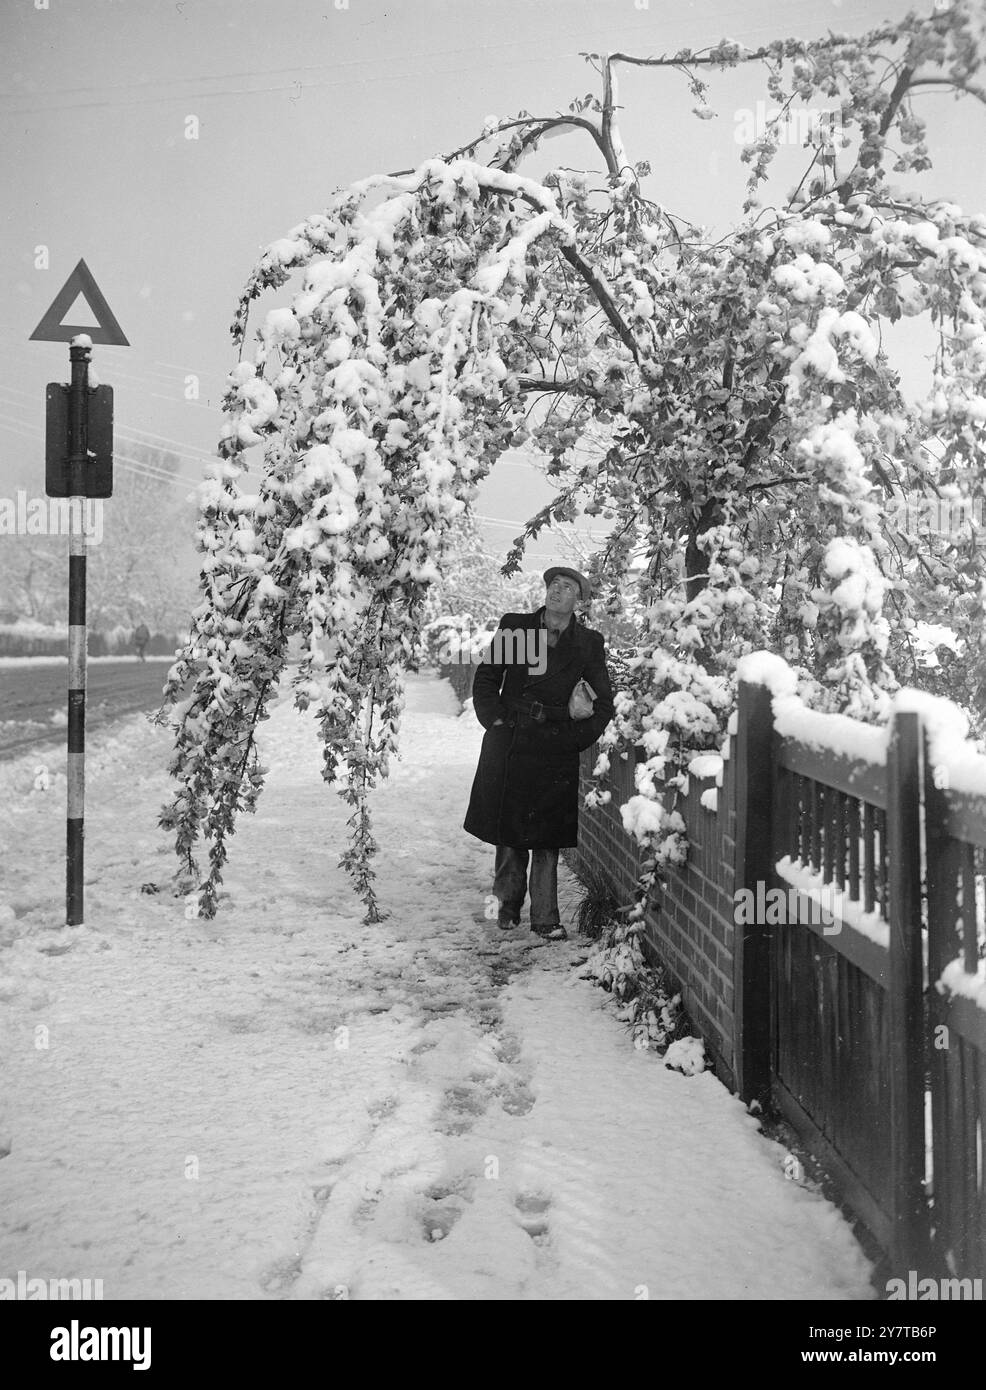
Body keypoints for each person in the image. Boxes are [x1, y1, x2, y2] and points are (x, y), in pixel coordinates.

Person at [463, 566, 616, 941]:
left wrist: (575, 739)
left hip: (555, 744)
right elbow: (488, 678)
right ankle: (505, 907)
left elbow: (604, 704)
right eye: (553, 585)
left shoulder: (587, 643)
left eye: (566, 588)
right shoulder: (519, 628)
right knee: (510, 829)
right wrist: (495, 721)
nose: (557, 592)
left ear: (579, 599)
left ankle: (546, 918)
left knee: (547, 835)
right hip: (513, 738)